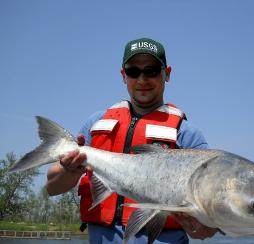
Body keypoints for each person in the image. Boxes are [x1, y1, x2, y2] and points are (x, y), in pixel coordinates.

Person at [46, 37, 219, 243]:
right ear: (123, 75)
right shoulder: (95, 123)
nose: (142, 80)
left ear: (167, 73)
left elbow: (208, 225)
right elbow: (52, 187)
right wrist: (68, 170)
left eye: (151, 70)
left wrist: (205, 225)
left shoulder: (188, 134)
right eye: (133, 71)